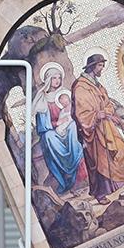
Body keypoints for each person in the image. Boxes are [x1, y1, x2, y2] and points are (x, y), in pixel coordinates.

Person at [73, 53, 124, 203]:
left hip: (107, 125)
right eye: (100, 65)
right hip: (94, 131)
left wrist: (107, 111)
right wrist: (97, 115)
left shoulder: (98, 85)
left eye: (103, 65)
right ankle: (100, 195)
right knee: (101, 161)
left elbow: (107, 102)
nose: (102, 69)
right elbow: (81, 112)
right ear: (92, 66)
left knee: (121, 149)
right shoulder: (81, 86)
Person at [32, 64, 85, 194]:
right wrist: (57, 123)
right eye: (54, 78)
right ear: (48, 79)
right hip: (52, 130)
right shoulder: (42, 98)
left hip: (68, 127)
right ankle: (65, 175)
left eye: (59, 78)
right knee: (49, 137)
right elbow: (43, 125)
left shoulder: (64, 94)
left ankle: (74, 158)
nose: (57, 81)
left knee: (73, 127)